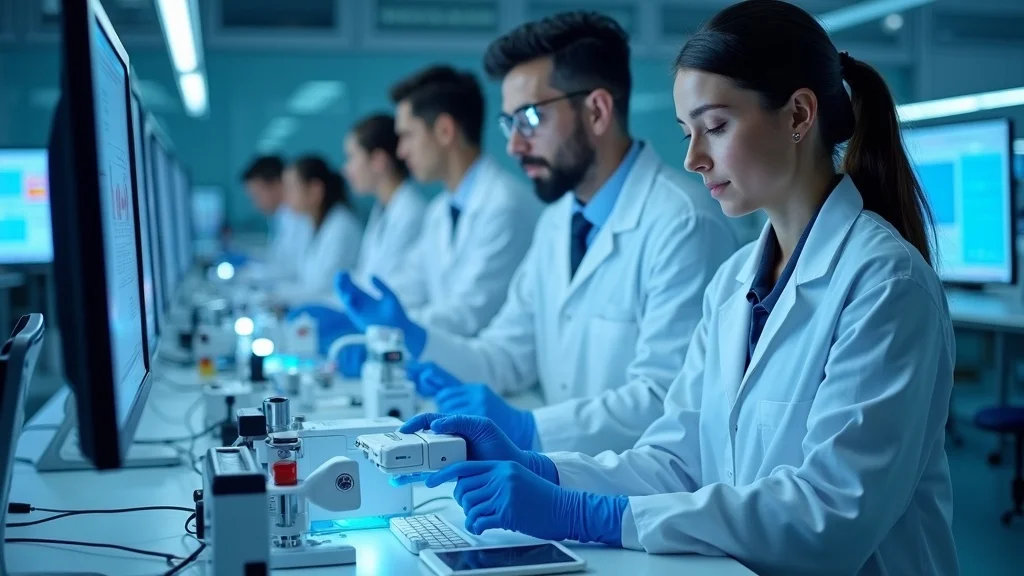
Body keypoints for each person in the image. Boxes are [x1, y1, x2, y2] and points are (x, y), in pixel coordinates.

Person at [399, 1, 959, 574]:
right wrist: (543, 469)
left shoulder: (886, 283)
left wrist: (588, 515)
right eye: (688, 131)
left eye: (715, 127)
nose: (693, 157)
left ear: (797, 115)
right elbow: (675, 461)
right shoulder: (734, 282)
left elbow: (830, 516)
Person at [337, 11, 737, 456]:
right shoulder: (558, 221)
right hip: (566, 475)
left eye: (529, 118)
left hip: (644, 504)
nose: (514, 145)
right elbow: (505, 355)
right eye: (509, 124)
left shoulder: (682, 223)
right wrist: (415, 337)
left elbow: (665, 399)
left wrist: (528, 427)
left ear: (597, 111)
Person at [367, 65, 541, 340]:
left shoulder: (504, 206)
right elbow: (411, 283)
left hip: (494, 375)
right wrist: (368, 311)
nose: (401, 151)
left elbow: (469, 313)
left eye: (407, 135)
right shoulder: (440, 210)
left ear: (445, 131)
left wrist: (388, 325)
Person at [343, 113, 428, 289]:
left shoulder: (410, 213)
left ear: (379, 160)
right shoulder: (383, 209)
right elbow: (366, 278)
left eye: (352, 157)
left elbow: (389, 287)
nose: (346, 170)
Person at [273, 155, 362, 306]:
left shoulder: (341, 227)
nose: (285, 196)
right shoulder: (311, 224)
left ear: (315, 190)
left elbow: (323, 287)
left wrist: (277, 296)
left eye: (291, 188)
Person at [238, 155, 312, 276]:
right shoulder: (282, 217)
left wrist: (251, 272)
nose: (256, 204)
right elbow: (279, 258)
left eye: (257, 195)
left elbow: (294, 269)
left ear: (278, 184)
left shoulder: (299, 217)